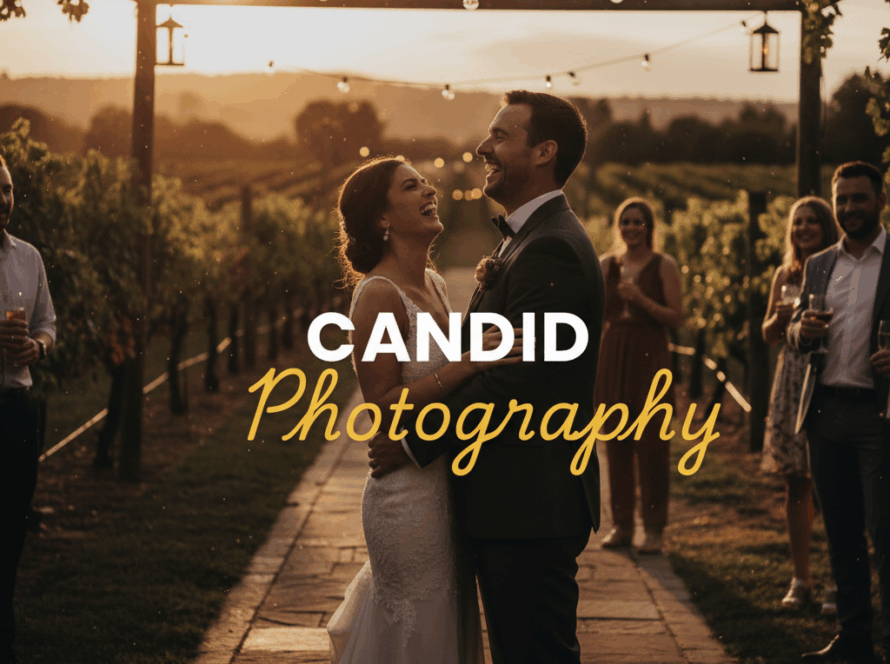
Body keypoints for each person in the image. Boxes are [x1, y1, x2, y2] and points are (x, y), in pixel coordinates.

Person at [368, 91, 604, 664]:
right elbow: (484, 359)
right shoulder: (528, 239)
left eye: (500, 135)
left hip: (530, 504)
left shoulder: (551, 249)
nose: (482, 146)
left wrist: (412, 440)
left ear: (544, 151)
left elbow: (514, 380)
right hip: (512, 502)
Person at [326, 156, 522, 664]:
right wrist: (467, 366)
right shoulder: (377, 296)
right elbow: (384, 409)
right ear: (382, 219)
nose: (428, 190)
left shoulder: (433, 284)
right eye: (410, 186)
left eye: (424, 182)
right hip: (406, 499)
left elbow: (454, 367)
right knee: (420, 626)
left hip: (446, 484)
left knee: (448, 623)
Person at [788, 161, 890, 664]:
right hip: (825, 413)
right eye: (842, 199)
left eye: (859, 198)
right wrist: (801, 333)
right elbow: (794, 331)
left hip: (879, 416)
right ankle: (853, 638)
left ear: (880, 200)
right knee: (842, 532)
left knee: (885, 531)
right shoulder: (820, 264)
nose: (849, 208)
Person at [760, 197, 839, 613]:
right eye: (797, 223)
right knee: (796, 481)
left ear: (827, 226)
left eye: (812, 222)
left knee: (832, 484)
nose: (803, 228)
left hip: (825, 375)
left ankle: (836, 580)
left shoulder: (838, 269)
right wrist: (780, 316)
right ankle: (801, 578)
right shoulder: (785, 273)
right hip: (791, 379)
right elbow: (768, 334)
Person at [595, 198, 683, 555]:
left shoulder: (664, 265)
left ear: (649, 227)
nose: (632, 228)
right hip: (614, 353)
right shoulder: (606, 264)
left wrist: (642, 300)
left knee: (652, 446)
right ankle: (621, 525)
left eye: (638, 222)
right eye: (626, 222)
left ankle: (654, 529)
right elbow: (595, 315)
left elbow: (676, 317)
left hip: (650, 356)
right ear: (619, 227)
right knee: (614, 444)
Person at [0, 153, 56, 664]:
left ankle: (5, 633)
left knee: (12, 524)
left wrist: (35, 347)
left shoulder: (28, 257)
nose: (3, 199)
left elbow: (47, 324)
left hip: (16, 408)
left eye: (8, 189)